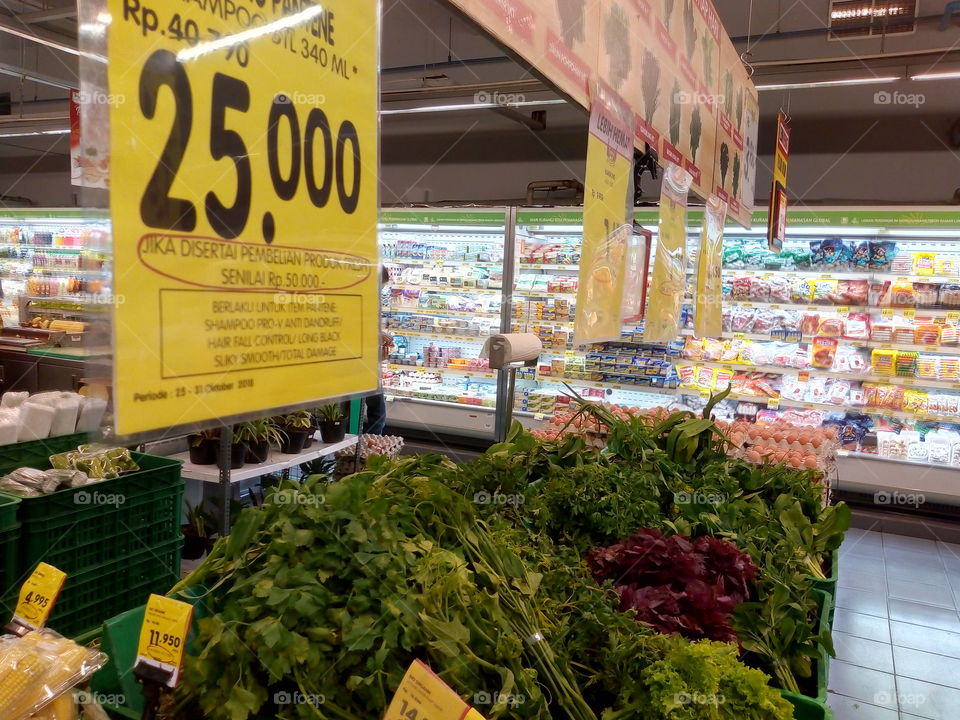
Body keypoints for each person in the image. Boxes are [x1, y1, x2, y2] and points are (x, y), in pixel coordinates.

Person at [364, 266, 393, 434]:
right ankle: (367, 448)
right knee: (377, 414)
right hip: (360, 366)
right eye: (380, 285)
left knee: (377, 413)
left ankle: (365, 446)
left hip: (367, 363)